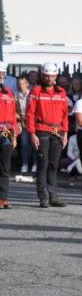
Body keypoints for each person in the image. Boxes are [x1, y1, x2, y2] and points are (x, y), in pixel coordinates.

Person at [25, 63, 69, 208]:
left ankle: (53, 196)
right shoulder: (35, 91)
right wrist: (32, 133)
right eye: (47, 75)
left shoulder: (61, 92)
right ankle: (43, 197)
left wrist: (65, 132)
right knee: (43, 164)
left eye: (52, 75)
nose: (49, 78)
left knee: (53, 165)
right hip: (41, 130)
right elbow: (29, 115)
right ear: (42, 76)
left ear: (56, 76)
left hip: (57, 132)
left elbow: (64, 115)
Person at [0, 62, 18, 209]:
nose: (0, 76)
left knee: (5, 168)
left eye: (2, 74)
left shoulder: (9, 93)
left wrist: (14, 136)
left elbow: (12, 116)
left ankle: (3, 198)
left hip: (6, 134)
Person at [15, 77, 36, 174]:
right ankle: (25, 164)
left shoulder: (32, 95)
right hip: (23, 122)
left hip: (33, 122)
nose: (20, 86)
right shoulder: (16, 96)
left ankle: (35, 164)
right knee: (24, 144)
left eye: (22, 83)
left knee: (34, 144)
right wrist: (17, 118)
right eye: (19, 84)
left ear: (27, 84)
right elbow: (14, 110)